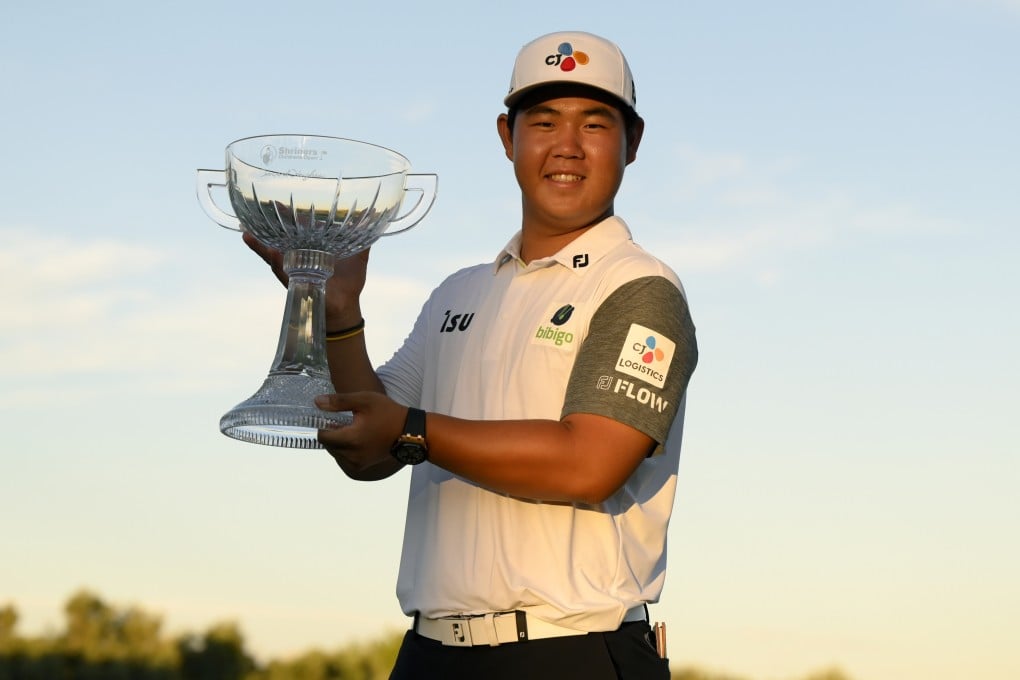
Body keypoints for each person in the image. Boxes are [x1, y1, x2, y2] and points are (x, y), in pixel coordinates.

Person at [247, 30, 698, 680]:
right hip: (429, 653)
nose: (567, 145)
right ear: (507, 137)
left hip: (573, 651)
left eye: (595, 123)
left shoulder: (639, 287)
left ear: (634, 141)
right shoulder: (459, 293)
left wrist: (412, 430)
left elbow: (589, 463)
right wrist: (339, 314)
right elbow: (369, 449)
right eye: (544, 121)